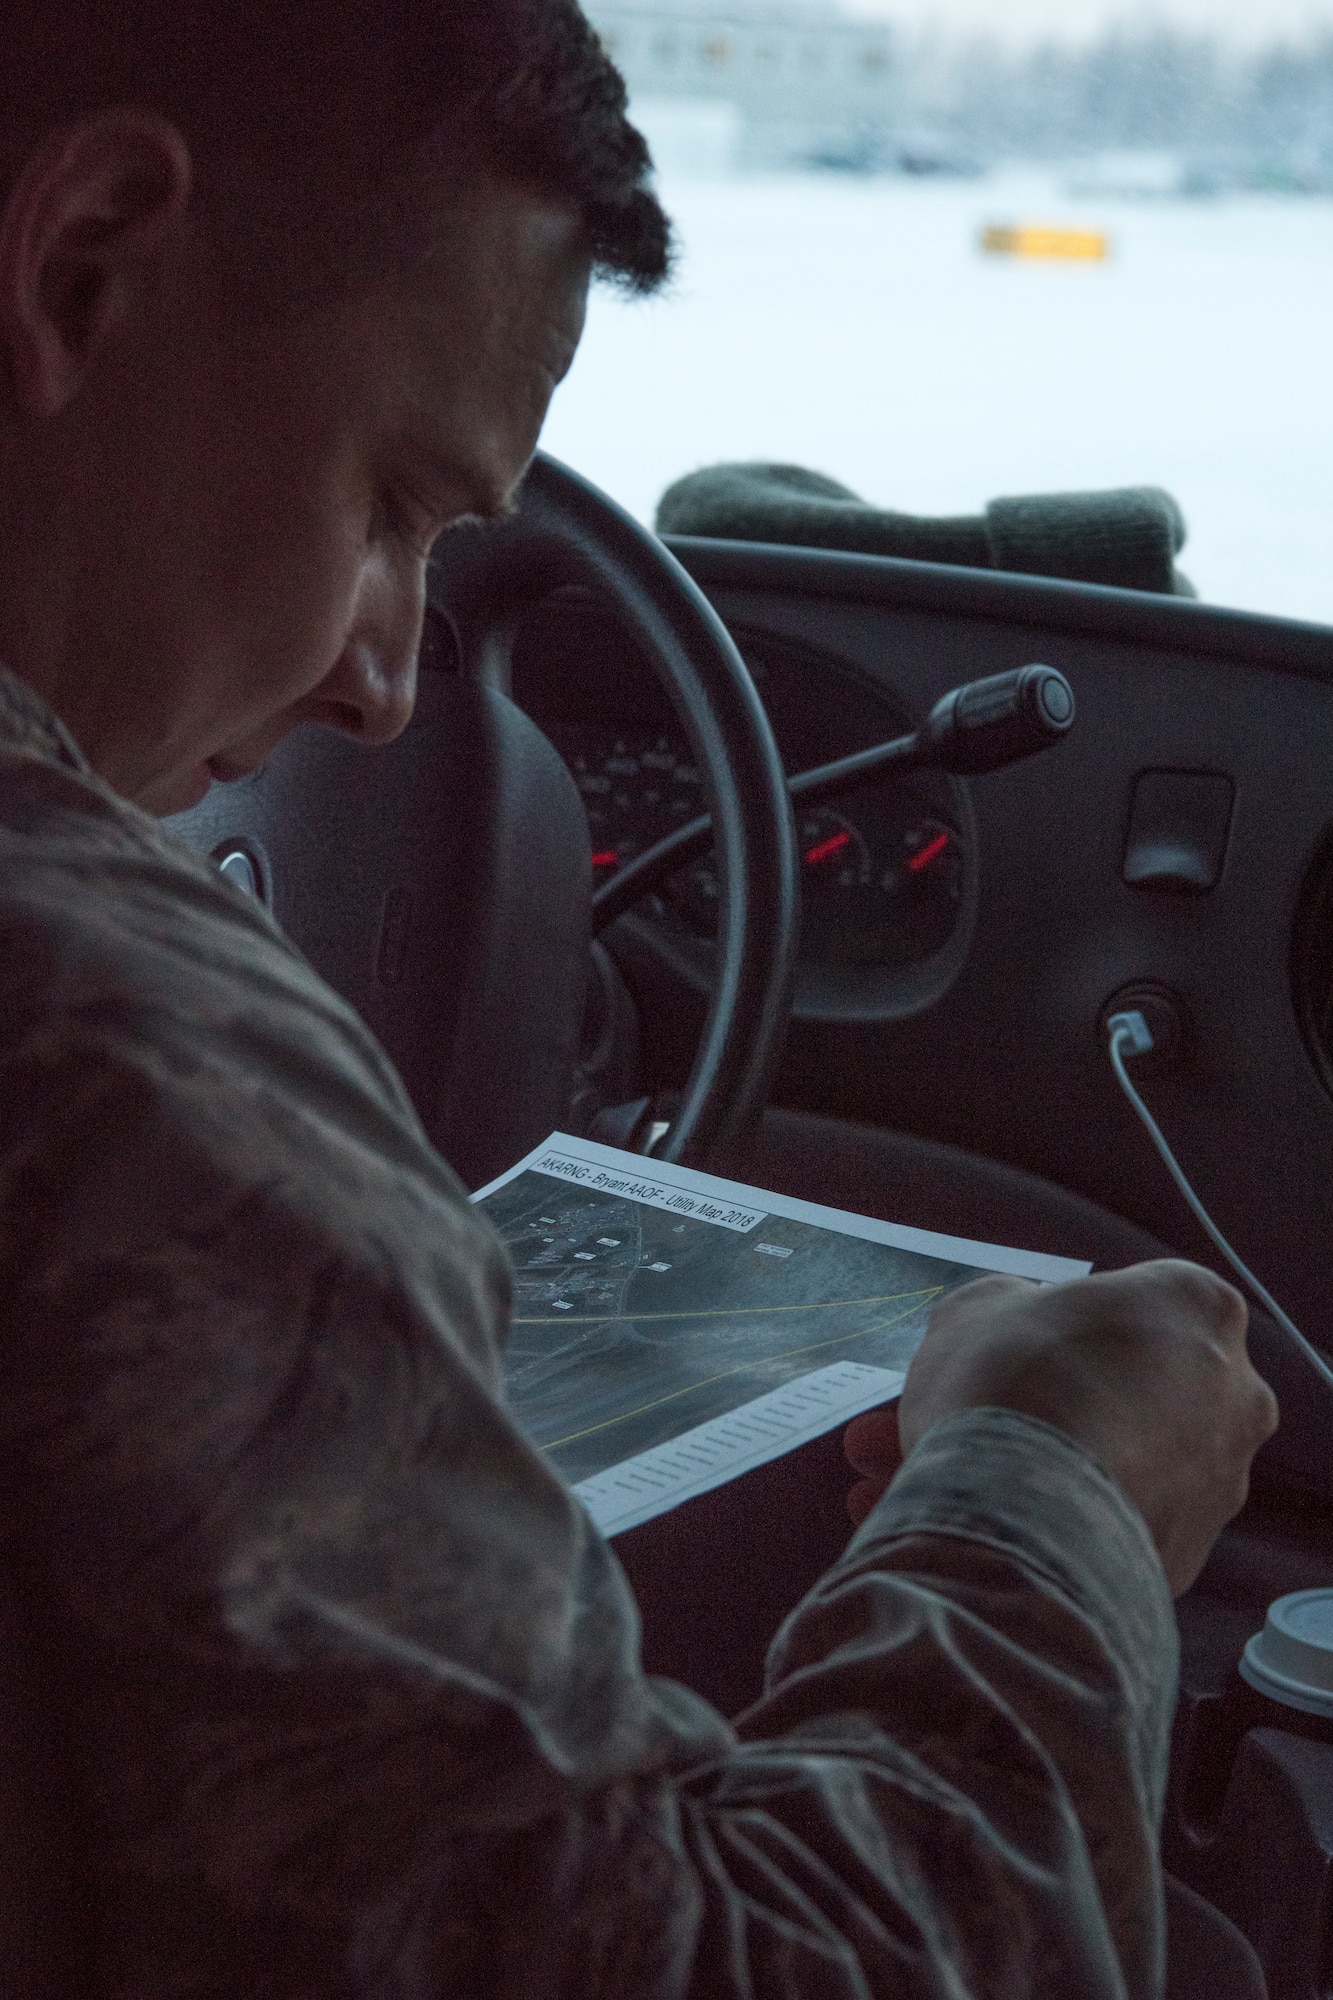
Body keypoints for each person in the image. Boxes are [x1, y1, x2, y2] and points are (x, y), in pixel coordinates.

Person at [0, 3, 1277, 1994]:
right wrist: (1043, 1487)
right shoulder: (123, 1059)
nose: (387, 681)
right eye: (393, 506)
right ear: (85, 262)